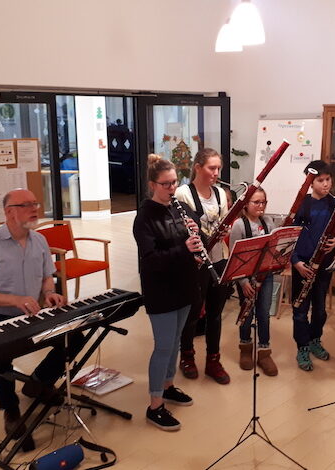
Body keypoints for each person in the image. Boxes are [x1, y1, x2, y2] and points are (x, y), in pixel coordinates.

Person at [0, 189, 86, 449]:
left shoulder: (39, 240)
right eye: (26, 205)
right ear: (9, 211)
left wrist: (49, 293)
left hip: (32, 312)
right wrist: (15, 300)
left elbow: (47, 276)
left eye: (36, 203)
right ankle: (10, 409)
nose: (34, 209)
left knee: (75, 337)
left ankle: (38, 383)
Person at [133, 154, 201, 431]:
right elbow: (150, 260)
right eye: (166, 184)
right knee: (163, 346)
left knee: (175, 343)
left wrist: (197, 232)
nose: (172, 188)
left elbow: (197, 236)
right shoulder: (144, 217)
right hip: (161, 289)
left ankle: (168, 386)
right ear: (152, 185)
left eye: (174, 183)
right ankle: (154, 406)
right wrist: (183, 249)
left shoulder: (179, 207)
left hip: (185, 284)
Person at [174, 148, 232, 384]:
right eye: (211, 168)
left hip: (219, 259)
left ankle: (213, 360)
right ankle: (187, 356)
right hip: (195, 263)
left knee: (215, 314)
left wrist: (225, 230)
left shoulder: (220, 194)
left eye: (219, 168)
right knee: (192, 312)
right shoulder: (183, 193)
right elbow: (178, 230)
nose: (216, 173)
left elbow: (224, 221)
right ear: (198, 167)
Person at [290, 160, 335, 371]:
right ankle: (302, 347)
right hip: (303, 265)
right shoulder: (301, 204)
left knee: (320, 309)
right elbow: (289, 237)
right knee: (300, 309)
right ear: (310, 182)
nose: (325, 184)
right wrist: (296, 262)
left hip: (324, 264)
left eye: (328, 179)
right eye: (320, 180)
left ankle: (315, 339)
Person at [229, 187, 278, 376]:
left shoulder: (268, 222)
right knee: (247, 313)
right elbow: (235, 258)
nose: (261, 205)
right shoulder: (239, 225)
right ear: (246, 204)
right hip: (246, 278)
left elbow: (274, 250)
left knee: (264, 313)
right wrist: (243, 283)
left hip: (265, 276)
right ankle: (245, 347)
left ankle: (264, 352)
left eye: (263, 202)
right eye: (256, 202)